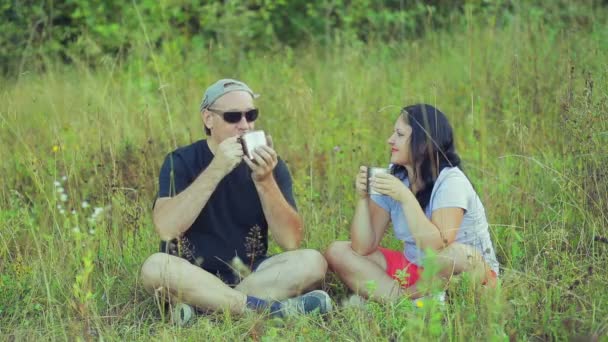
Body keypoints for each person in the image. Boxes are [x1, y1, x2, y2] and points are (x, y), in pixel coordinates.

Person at [140, 79, 331, 323]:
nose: (245, 125)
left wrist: (265, 181)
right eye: (233, 117)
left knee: (312, 262)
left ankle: (205, 308)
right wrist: (216, 169)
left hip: (251, 275)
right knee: (155, 267)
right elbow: (166, 228)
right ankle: (267, 310)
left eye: (251, 115)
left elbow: (291, 241)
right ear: (208, 119)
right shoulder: (181, 160)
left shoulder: (270, 164)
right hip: (192, 273)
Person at [325, 104, 499, 302]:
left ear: (423, 143)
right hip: (416, 271)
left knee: (458, 255)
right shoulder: (395, 176)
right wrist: (363, 199)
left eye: (399, 134)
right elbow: (363, 247)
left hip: (463, 273)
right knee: (338, 252)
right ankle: (407, 302)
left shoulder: (451, 181)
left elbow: (436, 246)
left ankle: (405, 301)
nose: (390, 140)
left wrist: (406, 198)